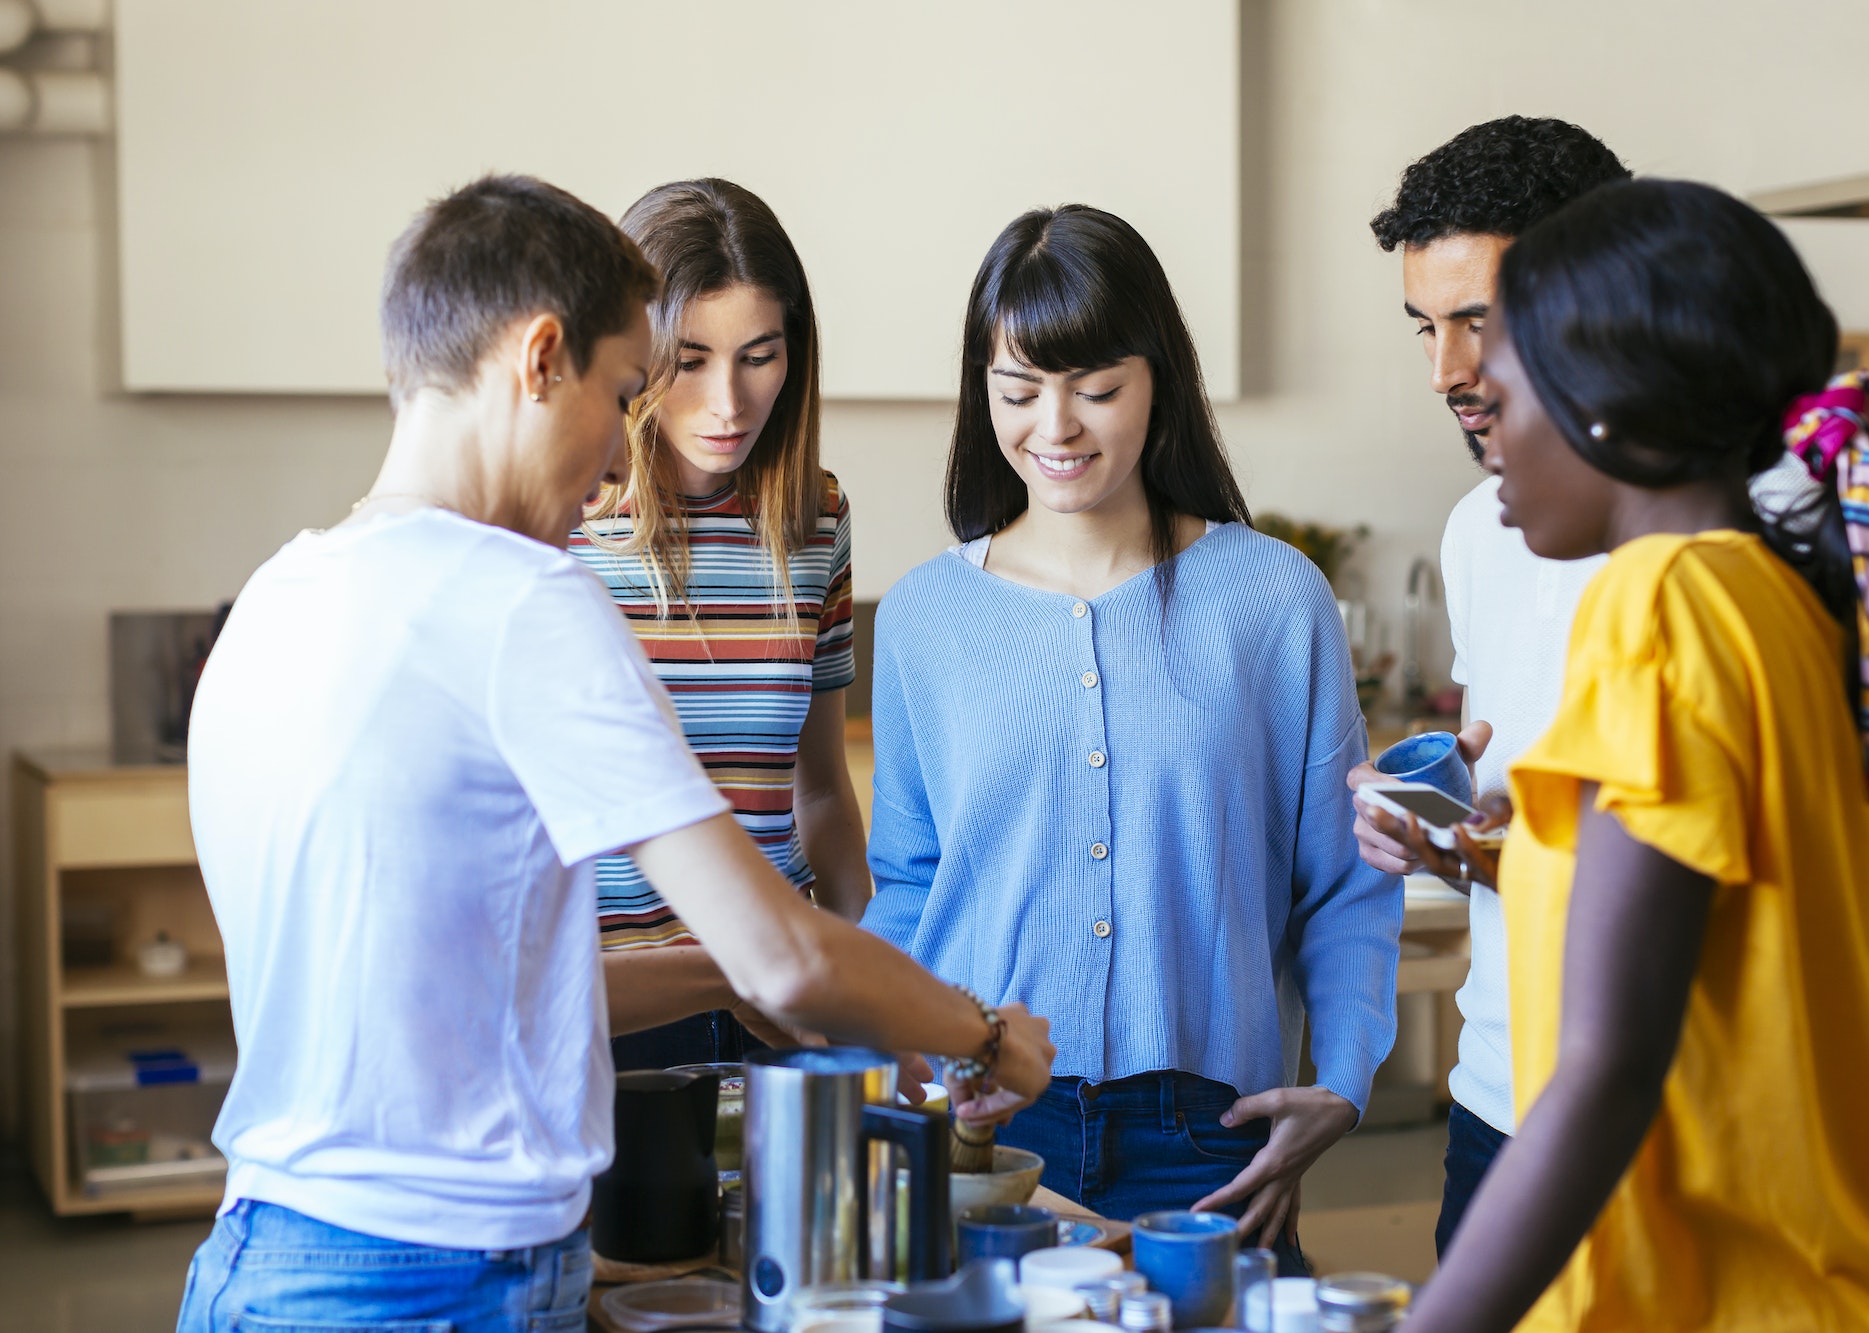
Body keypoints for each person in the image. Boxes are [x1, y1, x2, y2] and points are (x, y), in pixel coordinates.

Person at [177, 175, 1053, 1333]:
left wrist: (752, 982)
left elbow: (490, 984)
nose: (613, 451)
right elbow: (783, 956)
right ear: (541, 359)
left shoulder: (280, 595)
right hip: (437, 1278)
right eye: (626, 386)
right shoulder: (525, 597)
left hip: (268, 1252)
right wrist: (976, 1032)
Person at [1400, 178, 1869, 1332]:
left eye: (1507, 388)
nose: (1485, 421)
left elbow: (1607, 1066)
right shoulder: (1851, 630)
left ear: (1607, 415)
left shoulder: (1663, 598)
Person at [862, 204, 1402, 1275]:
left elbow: (1340, 880)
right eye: (1017, 391)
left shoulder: (1271, 599)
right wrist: (903, 1085)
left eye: (1095, 389)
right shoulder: (924, 616)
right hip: (983, 1130)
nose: (1054, 427)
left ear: (1157, 381)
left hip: (1210, 1137)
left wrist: (1339, 1080)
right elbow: (910, 884)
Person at [1350, 117, 1631, 1259]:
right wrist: (1439, 824)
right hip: (1499, 1093)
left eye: (1477, 321)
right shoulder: (1481, 529)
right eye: (1423, 326)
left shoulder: (1745, 536)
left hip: (1672, 1107)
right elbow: (1511, 785)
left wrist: (1521, 853)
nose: (1444, 372)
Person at [570, 178, 871, 1066]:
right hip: (605, 1004)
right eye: (689, 359)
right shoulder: (563, 520)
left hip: (774, 1003)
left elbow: (818, 790)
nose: (728, 402)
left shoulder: (817, 519)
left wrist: (870, 976)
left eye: (758, 355)